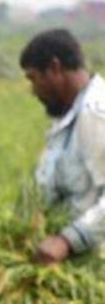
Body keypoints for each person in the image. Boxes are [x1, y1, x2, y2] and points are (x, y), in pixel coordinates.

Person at [20, 29, 105, 265]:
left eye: (33, 78)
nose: (33, 90)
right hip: (67, 261)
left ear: (55, 68)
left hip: (95, 264)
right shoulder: (67, 118)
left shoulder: (96, 114)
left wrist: (66, 241)